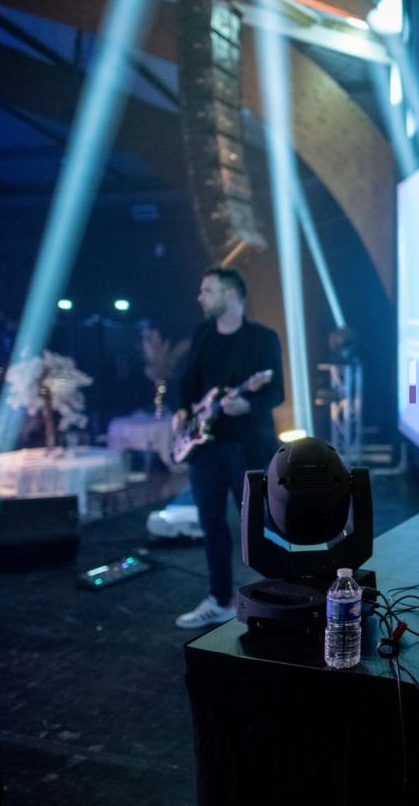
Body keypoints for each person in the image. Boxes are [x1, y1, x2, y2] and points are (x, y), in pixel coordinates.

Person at [172, 267, 284, 629]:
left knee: (256, 523)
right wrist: (182, 412)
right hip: (205, 449)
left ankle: (277, 598)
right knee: (211, 523)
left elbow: (276, 390)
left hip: (245, 447)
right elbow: (187, 383)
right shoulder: (203, 333)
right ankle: (219, 599)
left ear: (231, 294)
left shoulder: (262, 338)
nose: (200, 296)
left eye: (208, 290)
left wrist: (248, 405)